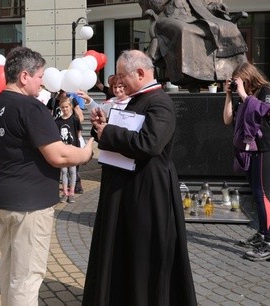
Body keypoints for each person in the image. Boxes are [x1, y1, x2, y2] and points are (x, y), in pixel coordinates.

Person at [0, 46, 94, 306]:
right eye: (40, 75)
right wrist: (88, 152)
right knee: (27, 277)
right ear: (24, 76)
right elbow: (59, 156)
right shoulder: (30, 107)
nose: (43, 81)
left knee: (11, 269)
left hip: (0, 198)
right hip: (28, 205)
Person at [84, 50, 197, 305]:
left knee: (142, 253)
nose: (118, 82)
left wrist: (108, 133)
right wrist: (101, 124)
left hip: (147, 191)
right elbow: (117, 131)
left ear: (141, 73)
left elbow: (150, 144)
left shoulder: (159, 102)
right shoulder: (133, 99)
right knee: (121, 249)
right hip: (124, 187)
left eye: (122, 76)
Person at [138, 0, 247, 84]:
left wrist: (214, 8)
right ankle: (190, 77)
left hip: (193, 17)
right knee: (184, 30)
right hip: (167, 19)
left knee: (229, 27)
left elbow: (197, 1)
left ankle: (234, 74)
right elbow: (149, 4)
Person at [223, 62, 270, 261]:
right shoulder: (245, 95)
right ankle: (263, 234)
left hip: (267, 148)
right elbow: (227, 120)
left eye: (240, 80)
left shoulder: (267, 90)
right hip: (252, 150)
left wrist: (242, 93)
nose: (238, 84)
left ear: (248, 77)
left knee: (263, 195)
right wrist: (229, 95)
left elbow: (262, 112)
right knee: (257, 195)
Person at [55, 97, 82, 203]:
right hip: (62, 150)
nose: (65, 109)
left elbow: (78, 134)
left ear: (70, 106)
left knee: (72, 171)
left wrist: (79, 148)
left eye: (66, 107)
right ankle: (65, 192)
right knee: (64, 171)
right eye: (62, 107)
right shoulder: (57, 121)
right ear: (60, 108)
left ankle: (72, 193)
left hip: (73, 150)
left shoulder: (75, 119)